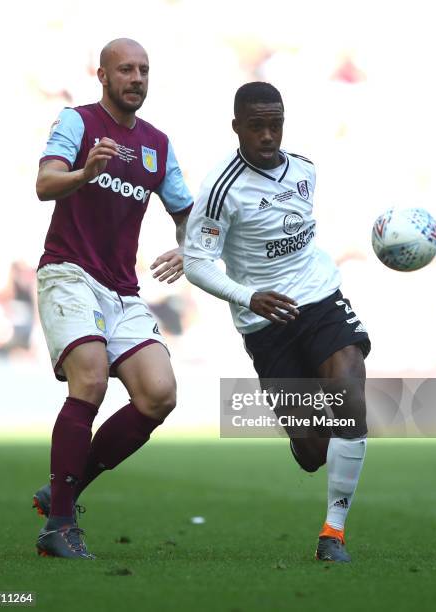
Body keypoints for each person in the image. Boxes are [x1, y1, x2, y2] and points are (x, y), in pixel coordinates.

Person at [184, 82, 370, 563]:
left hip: (319, 298)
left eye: (276, 124)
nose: (268, 135)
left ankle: (334, 532)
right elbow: (196, 263)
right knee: (312, 452)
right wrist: (250, 296)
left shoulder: (305, 168)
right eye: (257, 126)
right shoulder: (221, 187)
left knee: (350, 393)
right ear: (237, 127)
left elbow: (292, 231)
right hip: (265, 321)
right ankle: (313, 448)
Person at [33, 38, 193, 559]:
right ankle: (59, 526)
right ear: (102, 75)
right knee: (93, 378)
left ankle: (66, 487)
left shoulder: (158, 145)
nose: (137, 78)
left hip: (121, 288)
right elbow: (44, 183)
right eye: (125, 69)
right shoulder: (77, 122)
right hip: (68, 272)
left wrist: (190, 247)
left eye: (144, 70)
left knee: (158, 394)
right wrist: (83, 175)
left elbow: (186, 213)